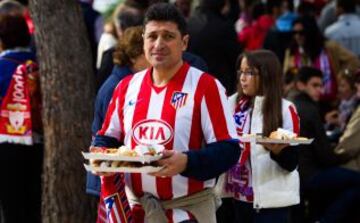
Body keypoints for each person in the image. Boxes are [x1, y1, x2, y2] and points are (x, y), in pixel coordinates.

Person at [93, 3, 240, 223]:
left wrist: (187, 162)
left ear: (184, 42)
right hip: (136, 211)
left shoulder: (206, 87)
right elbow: (108, 137)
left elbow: (229, 150)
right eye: (152, 36)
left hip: (188, 213)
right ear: (143, 41)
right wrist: (101, 155)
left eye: (168, 36)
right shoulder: (126, 87)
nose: (158, 44)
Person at [219, 50, 300, 223]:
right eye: (241, 72)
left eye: (249, 72)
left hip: (271, 204)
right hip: (235, 198)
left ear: (266, 75)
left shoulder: (285, 109)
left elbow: (292, 163)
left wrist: (278, 151)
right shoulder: (231, 103)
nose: (242, 78)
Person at [293, 66, 360, 222]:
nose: (320, 90)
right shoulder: (310, 110)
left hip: (298, 173)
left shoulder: (293, 105)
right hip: (310, 174)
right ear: (301, 85)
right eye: (315, 85)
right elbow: (325, 156)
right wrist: (343, 156)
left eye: (321, 85)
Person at [0, 14, 42, 223]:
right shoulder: (40, 65)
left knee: (12, 208)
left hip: (6, 145)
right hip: (40, 144)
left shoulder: (1, 66)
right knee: (34, 205)